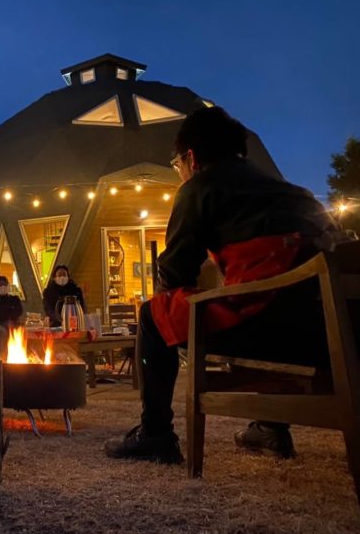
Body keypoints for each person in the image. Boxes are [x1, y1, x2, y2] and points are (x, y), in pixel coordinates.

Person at [104, 106, 343, 464]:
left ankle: (156, 434)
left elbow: (174, 276)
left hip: (266, 330)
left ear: (191, 157)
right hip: (330, 336)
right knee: (260, 297)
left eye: (177, 165)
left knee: (154, 315)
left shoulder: (200, 187)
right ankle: (270, 425)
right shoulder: (299, 195)